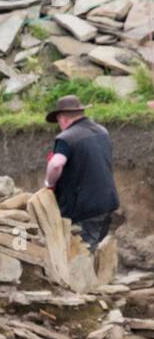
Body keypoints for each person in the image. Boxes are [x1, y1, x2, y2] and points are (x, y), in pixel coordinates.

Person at [42, 94, 119, 251]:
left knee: (81, 255)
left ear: (62, 118)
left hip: (85, 210)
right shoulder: (102, 131)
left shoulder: (66, 138)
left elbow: (56, 164)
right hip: (107, 203)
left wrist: (49, 183)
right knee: (92, 249)